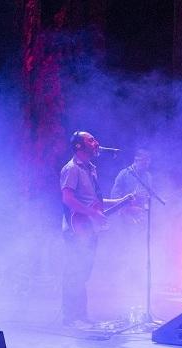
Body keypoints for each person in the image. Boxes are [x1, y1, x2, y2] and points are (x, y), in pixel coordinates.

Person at [60, 131, 132, 328]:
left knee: (83, 273)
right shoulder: (72, 169)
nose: (96, 142)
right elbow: (67, 199)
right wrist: (92, 214)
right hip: (76, 229)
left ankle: (80, 315)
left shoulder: (90, 168)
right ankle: (69, 318)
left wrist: (120, 201)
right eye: (90, 140)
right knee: (74, 272)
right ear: (78, 146)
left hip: (89, 228)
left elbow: (95, 202)